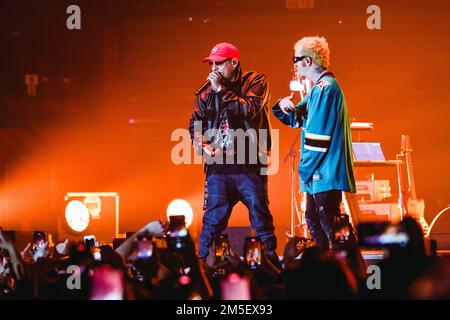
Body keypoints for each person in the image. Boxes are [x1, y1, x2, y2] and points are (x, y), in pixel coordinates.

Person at [189, 42, 277, 260]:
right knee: (212, 222)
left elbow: (249, 109)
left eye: (219, 64)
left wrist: (221, 90)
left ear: (234, 62)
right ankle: (203, 267)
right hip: (219, 167)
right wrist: (200, 141)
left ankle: (273, 265)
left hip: (249, 164)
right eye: (211, 65)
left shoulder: (255, 81)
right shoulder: (205, 93)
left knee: (260, 219)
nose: (213, 69)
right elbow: (195, 123)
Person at [272, 36, 356, 251]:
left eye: (296, 59)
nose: (294, 64)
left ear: (308, 61)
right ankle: (331, 271)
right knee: (314, 219)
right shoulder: (320, 89)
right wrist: (282, 104)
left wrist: (304, 169)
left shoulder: (325, 89)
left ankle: (346, 274)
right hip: (321, 173)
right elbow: (295, 118)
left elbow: (317, 139)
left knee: (329, 227)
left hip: (324, 173)